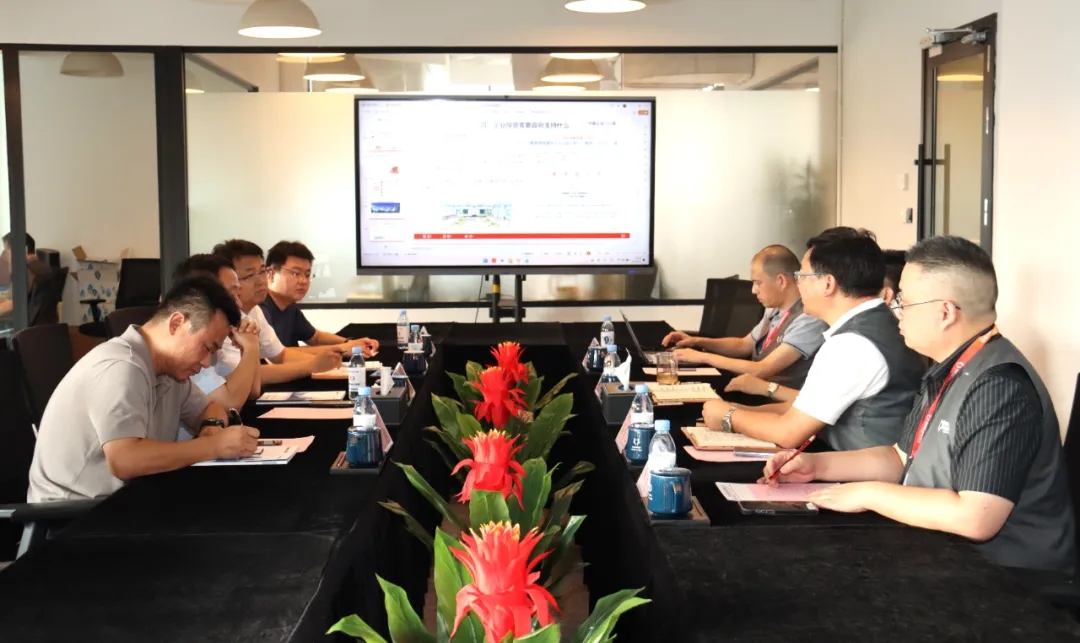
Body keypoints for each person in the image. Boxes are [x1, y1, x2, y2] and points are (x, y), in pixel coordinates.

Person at [765, 236, 1076, 574]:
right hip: (944, 551)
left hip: (1007, 576)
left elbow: (975, 517)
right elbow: (901, 458)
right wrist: (817, 467)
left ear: (945, 312)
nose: (895, 310)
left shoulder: (999, 386)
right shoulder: (947, 368)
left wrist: (868, 494)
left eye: (905, 301)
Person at [27, 276, 261, 503]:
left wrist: (212, 427)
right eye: (206, 348)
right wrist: (212, 446)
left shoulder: (170, 372)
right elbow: (125, 460)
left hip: (130, 500)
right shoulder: (121, 367)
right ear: (176, 323)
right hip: (74, 513)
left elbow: (210, 408)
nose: (206, 363)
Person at [702, 227, 925, 450]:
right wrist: (740, 410)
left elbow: (788, 433)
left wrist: (730, 416)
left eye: (802, 275)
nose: (798, 283)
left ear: (827, 284)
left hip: (851, 464)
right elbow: (804, 409)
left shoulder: (852, 344)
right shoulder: (879, 323)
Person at [663, 245, 827, 388]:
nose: (753, 290)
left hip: (777, 402)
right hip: (751, 389)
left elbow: (763, 369)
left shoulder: (808, 318)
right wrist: (697, 341)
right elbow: (744, 345)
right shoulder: (773, 310)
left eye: (758, 283)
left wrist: (703, 357)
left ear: (781, 281)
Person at [212, 239, 340, 385]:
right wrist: (312, 365)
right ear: (228, 280)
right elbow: (249, 377)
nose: (261, 281)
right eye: (250, 275)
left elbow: (280, 355)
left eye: (262, 272)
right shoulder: (219, 320)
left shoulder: (254, 310)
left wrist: (326, 361)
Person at [174, 254, 262, 411]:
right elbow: (230, 404)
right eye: (230, 296)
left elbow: (253, 391)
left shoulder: (215, 340)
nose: (239, 304)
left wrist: (249, 346)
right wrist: (250, 348)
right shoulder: (190, 343)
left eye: (238, 294)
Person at [261, 241, 377, 356]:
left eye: (307, 275)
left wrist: (351, 343)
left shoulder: (290, 306)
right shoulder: (259, 308)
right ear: (270, 274)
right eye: (296, 273)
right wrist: (342, 348)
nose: (303, 281)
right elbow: (278, 355)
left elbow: (315, 338)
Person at [0, 232, 52, 316]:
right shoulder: (44, 267)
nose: (6, 256)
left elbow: (11, 305)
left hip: (22, 321)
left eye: (7, 252)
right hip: (42, 320)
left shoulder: (23, 271)